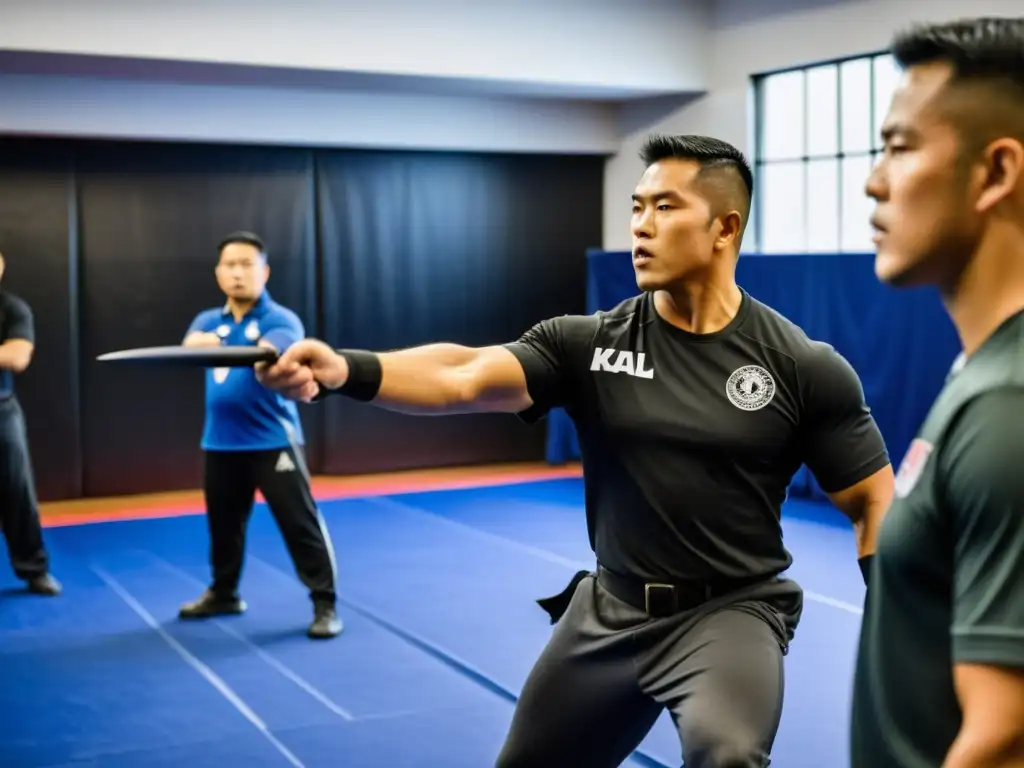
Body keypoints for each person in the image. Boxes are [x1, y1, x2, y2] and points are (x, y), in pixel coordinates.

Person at [257, 136, 895, 767]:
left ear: (725, 228)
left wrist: (906, 627)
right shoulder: (590, 344)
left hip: (730, 614)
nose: (641, 226)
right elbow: (465, 374)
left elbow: (872, 498)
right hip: (609, 611)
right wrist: (346, 368)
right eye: (637, 207)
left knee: (725, 755)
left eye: (665, 208)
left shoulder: (802, 367)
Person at [852, 17, 1024, 768]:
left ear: (995, 173)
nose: (873, 179)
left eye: (899, 146)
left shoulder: (1007, 405)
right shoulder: (981, 375)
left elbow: (1003, 739)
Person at [177, 231, 341, 640]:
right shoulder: (205, 320)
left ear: (264, 271)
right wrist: (208, 340)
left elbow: (267, 353)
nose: (237, 273)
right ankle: (224, 593)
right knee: (223, 525)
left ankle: (325, 603)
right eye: (229, 265)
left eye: (246, 264)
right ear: (218, 274)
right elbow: (188, 347)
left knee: (299, 523)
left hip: (273, 442)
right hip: (219, 442)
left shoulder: (280, 319)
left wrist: (211, 342)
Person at [0, 251, 60, 596]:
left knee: (16, 491)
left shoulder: (12, 308)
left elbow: (18, 356)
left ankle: (33, 569)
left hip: (2, 411)